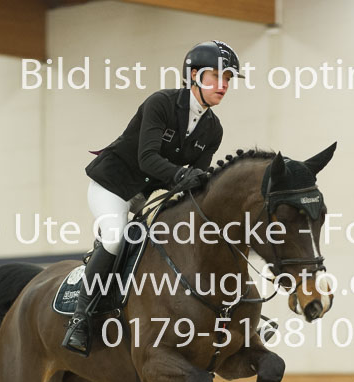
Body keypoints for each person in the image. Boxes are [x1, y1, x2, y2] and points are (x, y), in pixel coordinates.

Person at [62, 40, 243, 355]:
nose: (224, 84)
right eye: (216, 76)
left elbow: (195, 182)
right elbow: (147, 159)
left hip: (144, 196)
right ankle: (80, 319)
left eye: (228, 78)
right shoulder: (161, 103)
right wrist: (182, 175)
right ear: (194, 76)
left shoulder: (213, 129)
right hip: (111, 186)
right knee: (115, 238)